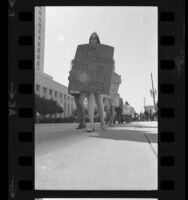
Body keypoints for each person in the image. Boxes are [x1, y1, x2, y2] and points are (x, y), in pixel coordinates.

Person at [86, 32, 106, 132]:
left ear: (97, 39)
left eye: (95, 38)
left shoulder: (102, 51)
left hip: (98, 78)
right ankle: (91, 125)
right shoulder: (85, 50)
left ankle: (102, 122)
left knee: (99, 103)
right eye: (91, 38)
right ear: (89, 39)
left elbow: (106, 64)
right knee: (90, 102)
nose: (93, 39)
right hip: (88, 79)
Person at [68, 62, 86, 129]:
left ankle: (83, 121)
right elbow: (70, 80)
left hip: (83, 89)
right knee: (78, 106)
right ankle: (80, 122)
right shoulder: (71, 71)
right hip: (74, 89)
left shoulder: (83, 69)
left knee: (80, 103)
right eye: (72, 64)